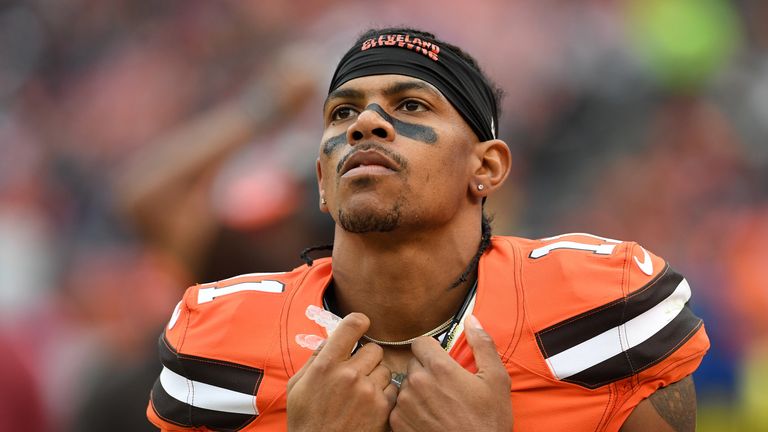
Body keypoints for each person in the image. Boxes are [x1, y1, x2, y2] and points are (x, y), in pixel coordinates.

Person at [146, 27, 709, 431]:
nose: (366, 122)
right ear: (322, 179)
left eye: (411, 105)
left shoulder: (601, 308)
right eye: (342, 113)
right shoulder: (219, 341)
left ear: (485, 168)